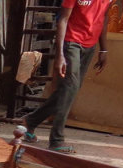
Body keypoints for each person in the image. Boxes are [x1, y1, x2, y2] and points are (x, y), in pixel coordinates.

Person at [22, 0, 111, 153]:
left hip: (90, 45)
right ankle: (56, 140)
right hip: (71, 42)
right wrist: (60, 55)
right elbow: (63, 19)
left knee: (70, 90)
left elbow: (104, 17)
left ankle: (31, 120)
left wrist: (103, 50)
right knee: (70, 88)